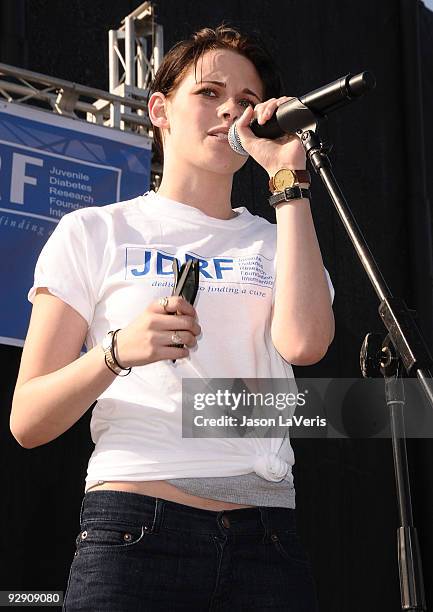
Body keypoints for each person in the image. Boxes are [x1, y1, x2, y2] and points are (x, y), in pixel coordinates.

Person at [10, 23, 335, 611]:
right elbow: (28, 420)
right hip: (137, 531)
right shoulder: (96, 230)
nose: (228, 110)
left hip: (267, 537)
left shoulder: (278, 237)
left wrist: (290, 183)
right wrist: (116, 352)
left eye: (245, 101)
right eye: (208, 92)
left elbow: (306, 343)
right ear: (159, 110)